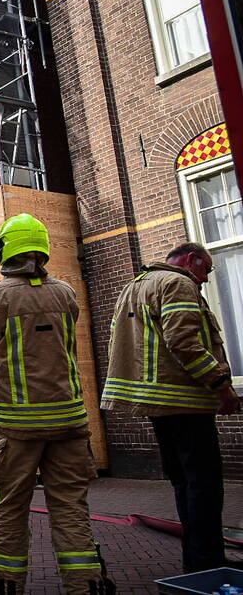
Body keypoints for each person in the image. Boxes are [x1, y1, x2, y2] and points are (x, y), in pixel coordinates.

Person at [0, 214, 114, 595]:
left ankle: (7, 585)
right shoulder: (65, 294)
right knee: (70, 508)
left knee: (11, 509)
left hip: (18, 427)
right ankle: (85, 586)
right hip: (69, 422)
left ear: (6, 250)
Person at [103, 242, 240, 573]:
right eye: (206, 269)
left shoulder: (135, 286)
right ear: (192, 260)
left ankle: (195, 562)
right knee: (204, 484)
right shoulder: (178, 283)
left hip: (157, 404)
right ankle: (208, 563)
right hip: (184, 401)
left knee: (184, 482)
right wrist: (221, 385)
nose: (205, 279)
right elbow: (183, 342)